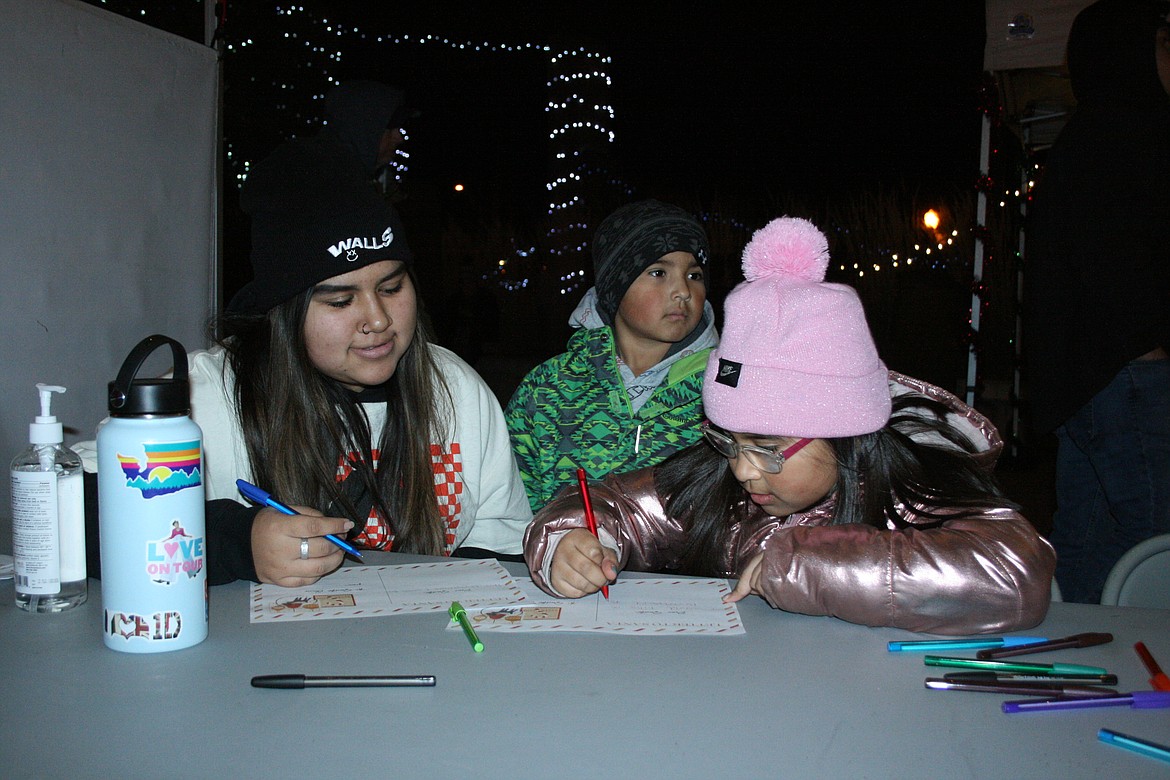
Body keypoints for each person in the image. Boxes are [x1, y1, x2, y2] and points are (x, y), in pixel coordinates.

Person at [526, 217, 1055, 635]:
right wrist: (568, 542)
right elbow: (612, 505)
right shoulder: (717, 489)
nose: (741, 471)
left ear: (845, 433)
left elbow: (1015, 573)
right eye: (728, 442)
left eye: (767, 448)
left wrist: (809, 565)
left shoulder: (910, 490)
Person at [187, 140, 528, 586]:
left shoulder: (455, 386)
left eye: (391, 288)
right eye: (342, 300)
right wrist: (236, 540)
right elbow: (87, 510)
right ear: (284, 313)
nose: (379, 319)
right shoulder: (207, 392)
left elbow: (501, 541)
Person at [1023, 0, 1170, 603]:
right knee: (1156, 535)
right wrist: (1150, 344)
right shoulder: (1138, 132)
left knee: (1089, 541)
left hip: (1084, 381)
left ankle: (1075, 656)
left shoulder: (1083, 138)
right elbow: (1119, 263)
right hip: (1130, 373)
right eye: (1164, 45)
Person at [506, 199, 718, 512]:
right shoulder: (546, 388)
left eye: (695, 275)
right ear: (615, 286)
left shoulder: (725, 391)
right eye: (658, 272)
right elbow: (511, 511)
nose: (683, 291)